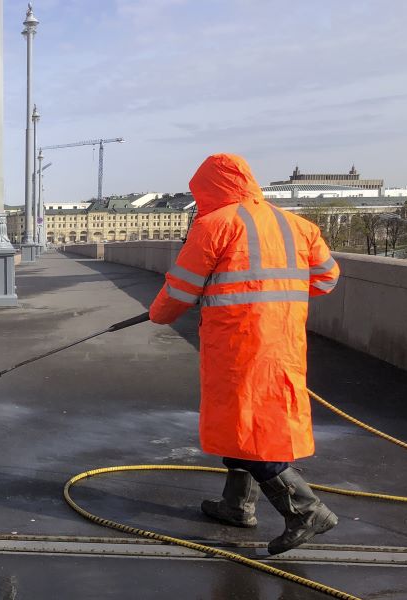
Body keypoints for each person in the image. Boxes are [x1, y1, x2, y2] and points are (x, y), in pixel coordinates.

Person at [149, 153, 341, 555]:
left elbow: (181, 290)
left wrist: (159, 312)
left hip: (239, 344)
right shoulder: (298, 225)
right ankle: (236, 506)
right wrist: (275, 298)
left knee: (247, 427)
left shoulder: (215, 225)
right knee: (254, 425)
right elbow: (326, 279)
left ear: (208, 188)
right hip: (284, 341)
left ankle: (306, 510)